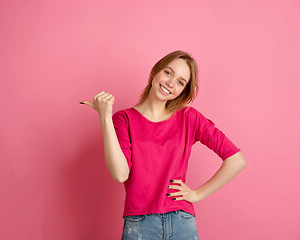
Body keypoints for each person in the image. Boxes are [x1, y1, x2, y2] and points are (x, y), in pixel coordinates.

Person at [80, 50, 247, 240]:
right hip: (139, 225)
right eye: (168, 72)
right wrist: (105, 117)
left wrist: (197, 194)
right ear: (155, 72)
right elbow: (120, 174)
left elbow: (237, 160)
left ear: (183, 91)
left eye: (180, 82)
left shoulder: (189, 118)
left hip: (182, 222)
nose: (170, 83)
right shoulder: (124, 119)